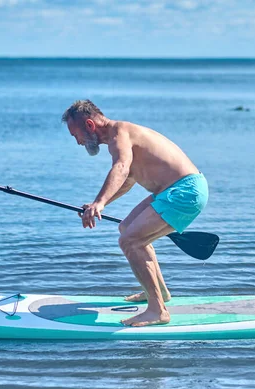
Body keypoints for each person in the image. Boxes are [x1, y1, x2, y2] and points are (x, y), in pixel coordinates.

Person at [61, 100, 208, 327]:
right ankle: (159, 292)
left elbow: (121, 168)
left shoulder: (121, 133)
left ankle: (158, 310)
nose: (77, 142)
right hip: (173, 191)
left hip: (185, 191)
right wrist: (98, 204)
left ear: (89, 124)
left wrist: (99, 203)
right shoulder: (117, 138)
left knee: (130, 241)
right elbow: (127, 180)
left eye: (75, 135)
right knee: (126, 228)